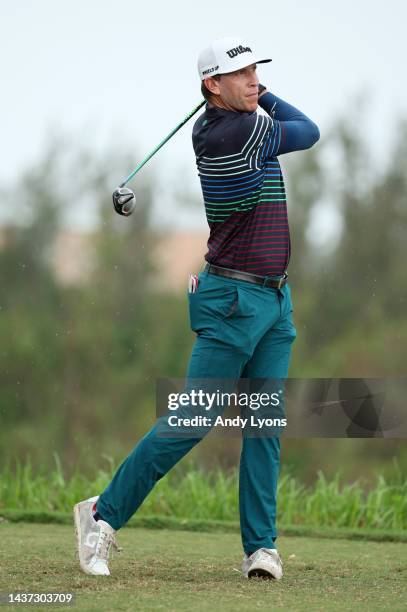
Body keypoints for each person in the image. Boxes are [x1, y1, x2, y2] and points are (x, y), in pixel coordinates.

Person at [74, 35, 320, 580]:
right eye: (243, 74)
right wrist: (270, 99)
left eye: (258, 71)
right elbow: (310, 131)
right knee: (192, 419)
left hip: (275, 299)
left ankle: (261, 548)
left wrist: (254, 92)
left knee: (264, 424)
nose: (255, 81)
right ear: (212, 85)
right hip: (233, 300)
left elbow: (294, 127)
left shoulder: (233, 118)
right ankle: (101, 514)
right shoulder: (238, 130)